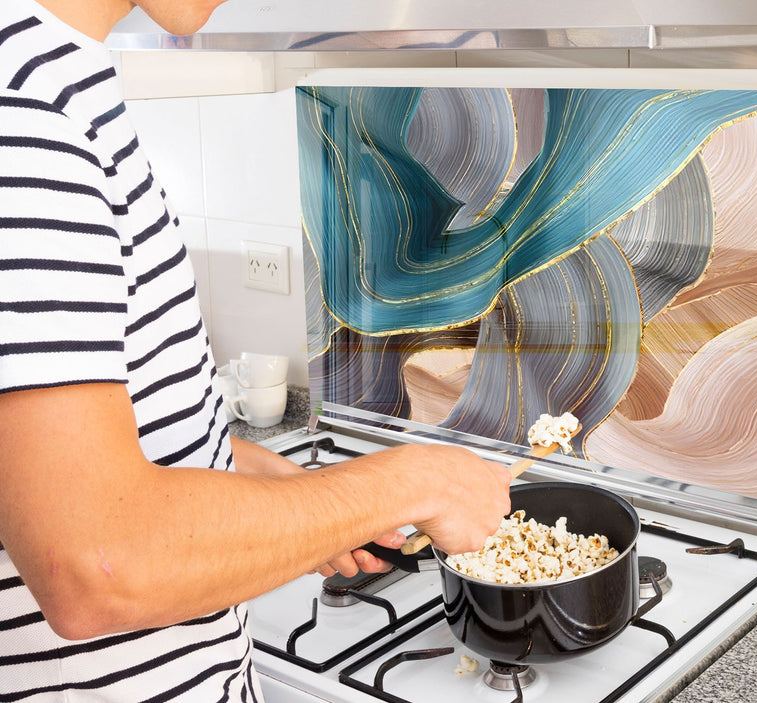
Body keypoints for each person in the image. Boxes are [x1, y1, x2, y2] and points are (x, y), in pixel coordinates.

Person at [0, 0, 513, 699]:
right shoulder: (24, 118)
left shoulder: (53, 80)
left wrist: (288, 495)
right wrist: (417, 480)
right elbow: (97, 563)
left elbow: (67, 456)